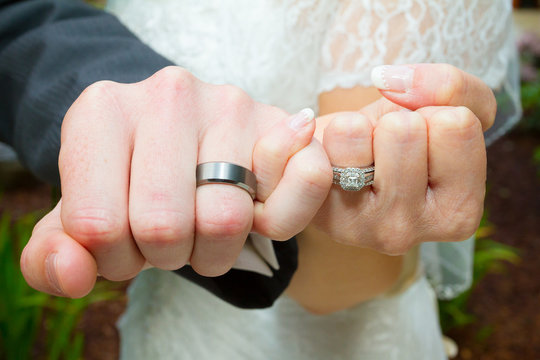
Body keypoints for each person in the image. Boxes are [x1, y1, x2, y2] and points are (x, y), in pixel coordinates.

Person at [1, 0, 521, 359]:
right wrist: (128, 148)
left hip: (315, 335)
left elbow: (343, 280)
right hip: (173, 324)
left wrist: (335, 183)